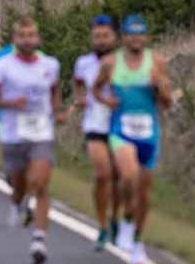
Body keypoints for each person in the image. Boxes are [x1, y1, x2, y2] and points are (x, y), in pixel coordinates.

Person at [0, 17, 66, 264]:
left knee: (41, 183)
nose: (28, 40)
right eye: (22, 36)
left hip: (41, 131)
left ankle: (39, 239)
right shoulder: (3, 66)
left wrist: (57, 111)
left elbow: (54, 90)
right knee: (18, 184)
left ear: (38, 38)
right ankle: (17, 202)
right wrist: (9, 103)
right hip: (13, 132)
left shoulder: (50, 64)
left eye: (32, 35)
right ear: (14, 40)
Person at [93, 15, 173, 264]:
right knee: (128, 176)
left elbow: (167, 103)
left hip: (149, 133)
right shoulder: (110, 63)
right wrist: (108, 101)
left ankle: (137, 240)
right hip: (121, 131)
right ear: (123, 37)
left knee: (144, 194)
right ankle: (126, 222)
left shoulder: (156, 62)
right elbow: (96, 89)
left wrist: (159, 87)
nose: (136, 38)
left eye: (140, 33)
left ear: (146, 37)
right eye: (131, 33)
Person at [73, 15, 121, 250]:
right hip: (95, 124)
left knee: (120, 178)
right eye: (97, 36)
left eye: (106, 36)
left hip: (122, 126)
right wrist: (80, 99)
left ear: (115, 37)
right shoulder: (84, 62)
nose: (101, 41)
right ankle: (102, 226)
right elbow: (78, 84)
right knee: (103, 175)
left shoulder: (125, 61)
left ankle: (115, 218)